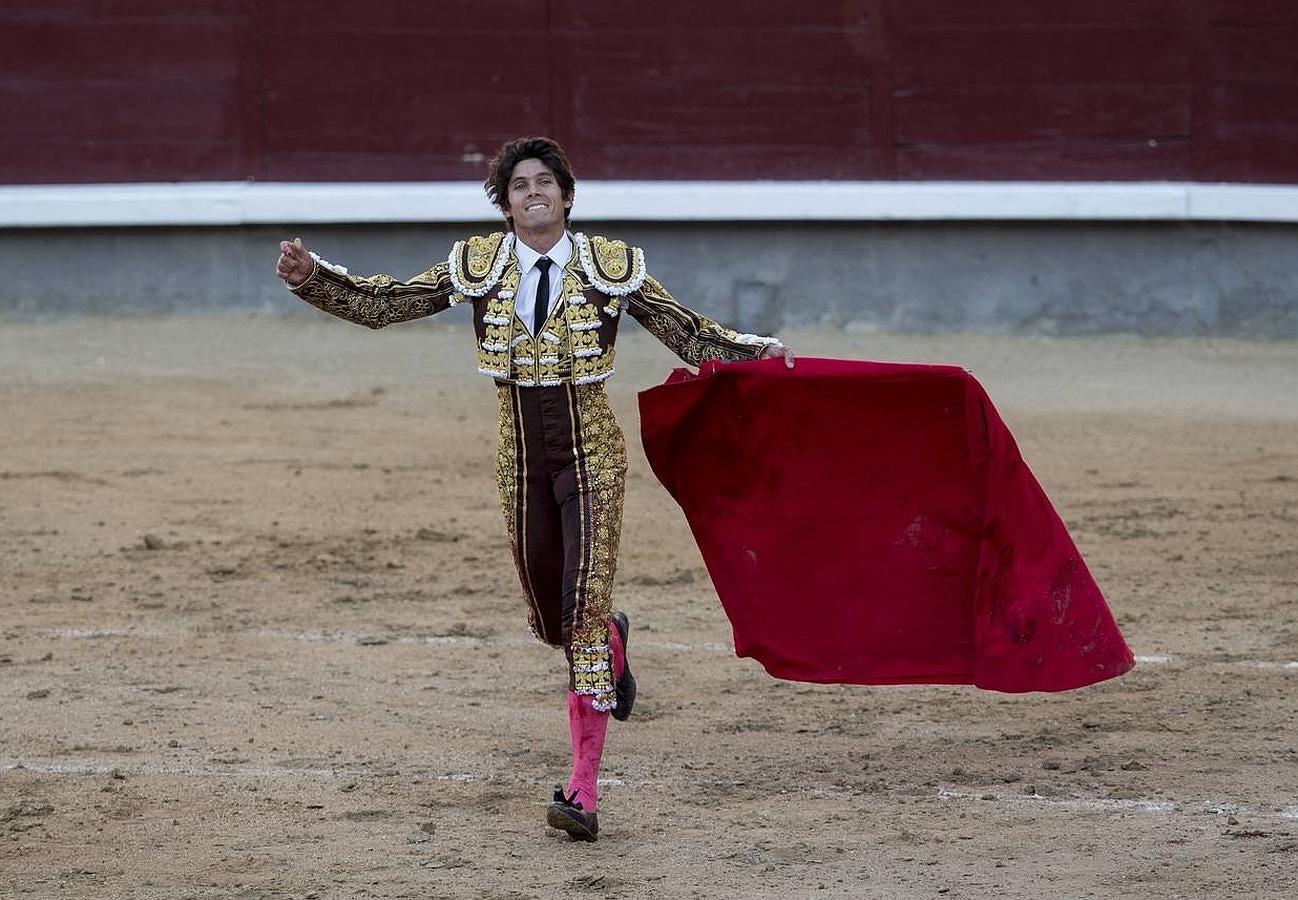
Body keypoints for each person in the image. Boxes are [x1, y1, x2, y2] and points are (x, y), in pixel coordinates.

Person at [275, 136, 793, 841]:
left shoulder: (610, 265)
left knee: (577, 615)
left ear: (568, 196)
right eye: (519, 185)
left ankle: (583, 789)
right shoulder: (479, 266)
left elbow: (684, 330)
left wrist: (751, 353)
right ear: (505, 203)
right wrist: (313, 279)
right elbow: (390, 303)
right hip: (518, 457)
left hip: (591, 454)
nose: (533, 192)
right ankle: (610, 638)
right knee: (553, 623)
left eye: (545, 182)